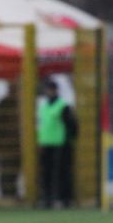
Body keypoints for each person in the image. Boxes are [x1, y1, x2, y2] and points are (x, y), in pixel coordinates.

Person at [37, 78, 78, 208]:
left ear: (55, 91)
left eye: (51, 89)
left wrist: (69, 140)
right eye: (47, 89)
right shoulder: (43, 107)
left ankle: (65, 199)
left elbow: (72, 125)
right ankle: (47, 198)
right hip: (46, 143)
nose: (49, 92)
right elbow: (42, 125)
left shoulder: (63, 106)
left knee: (62, 173)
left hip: (61, 144)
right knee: (46, 173)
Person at [0, 82, 21, 199]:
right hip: (8, 145)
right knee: (7, 171)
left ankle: (11, 193)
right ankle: (7, 195)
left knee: (12, 171)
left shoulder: (22, 102)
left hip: (18, 145)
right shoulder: (4, 103)